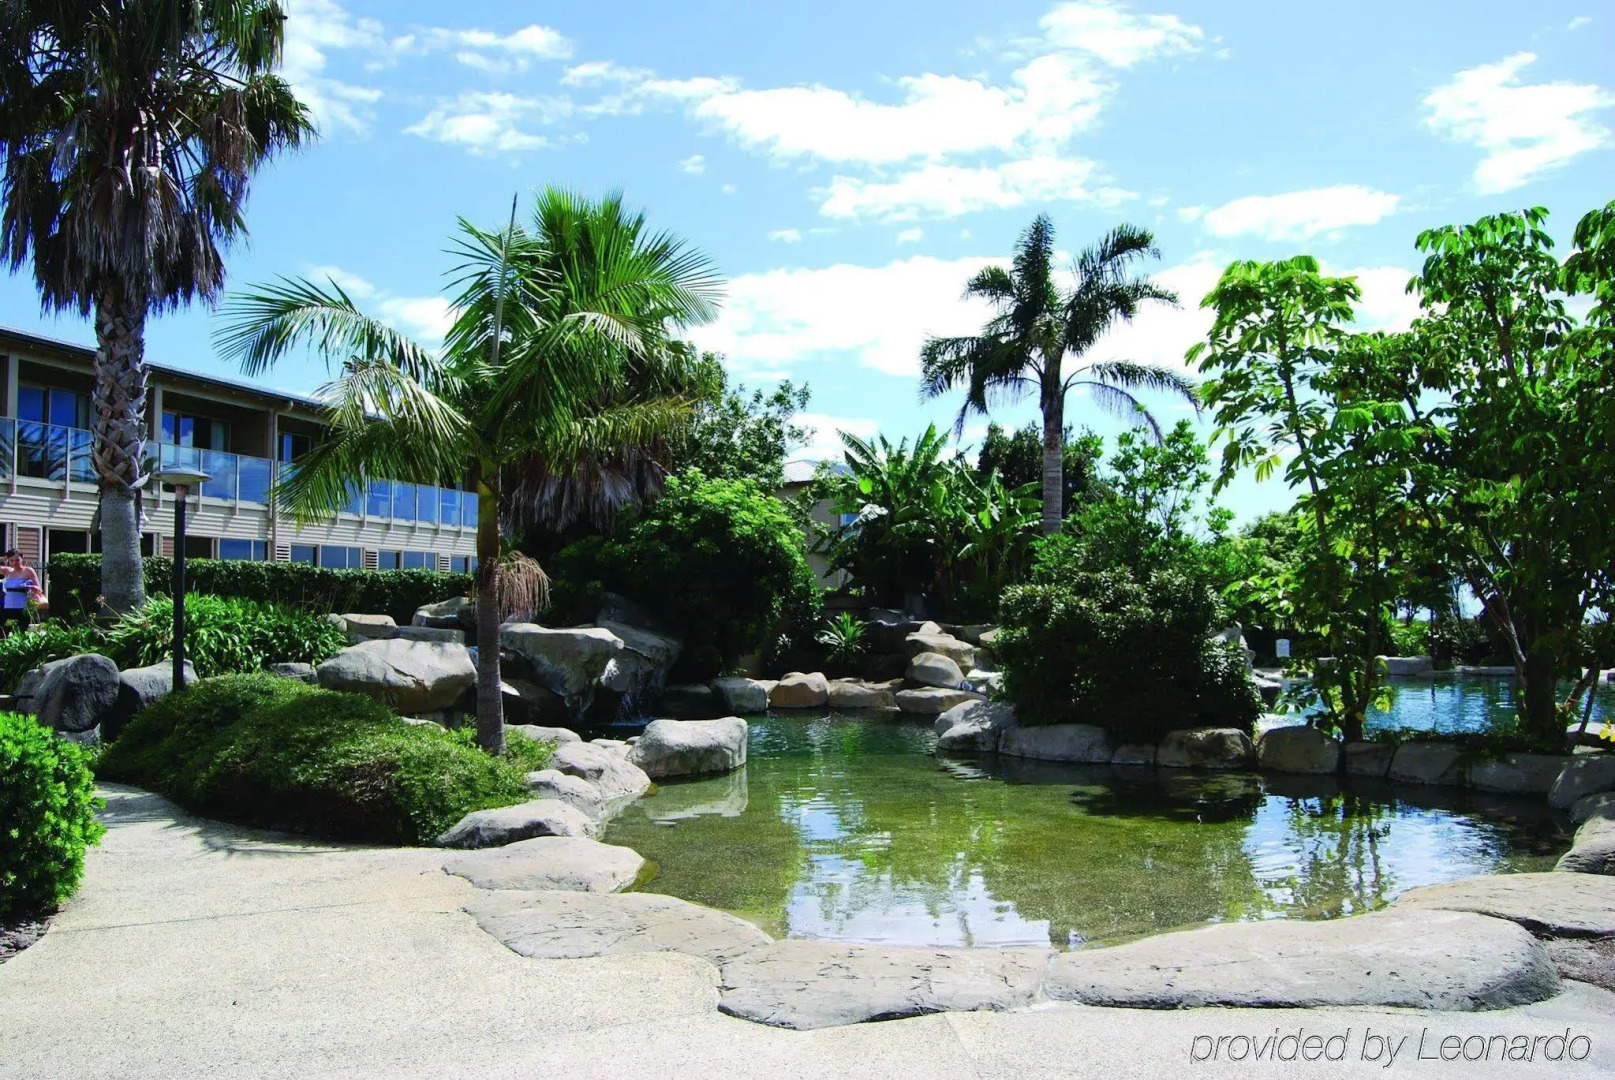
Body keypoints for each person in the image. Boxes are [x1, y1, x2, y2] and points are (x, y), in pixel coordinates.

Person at [1, 549, 43, 636]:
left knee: (21, 632)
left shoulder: (28, 571)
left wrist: (30, 586)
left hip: (22, 607)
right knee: (4, 632)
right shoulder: (7, 571)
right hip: (8, 606)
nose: (14, 562)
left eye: (17, 560)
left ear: (22, 559)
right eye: (11, 560)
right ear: (8, 560)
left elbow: (39, 589)